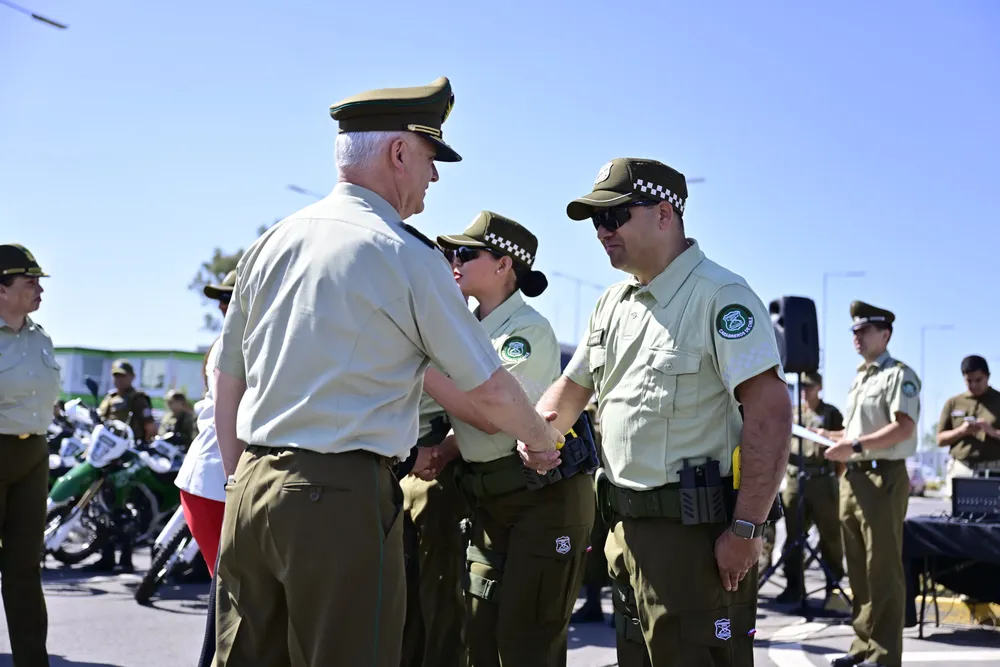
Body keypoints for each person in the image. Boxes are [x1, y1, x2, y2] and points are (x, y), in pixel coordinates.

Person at [212, 77, 565, 667]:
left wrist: (236, 481)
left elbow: (225, 376)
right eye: (430, 158)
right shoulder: (405, 254)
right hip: (338, 498)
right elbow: (492, 389)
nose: (433, 177)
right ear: (398, 153)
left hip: (250, 488)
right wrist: (541, 439)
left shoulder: (272, 241)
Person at [521, 157, 792, 666]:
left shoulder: (720, 295)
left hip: (694, 540)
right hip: (625, 531)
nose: (601, 232)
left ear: (664, 214)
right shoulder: (612, 303)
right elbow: (571, 389)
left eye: (615, 217)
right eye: (596, 222)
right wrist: (534, 434)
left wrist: (747, 530)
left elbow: (771, 413)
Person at [427, 211, 595, 666]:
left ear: (505, 264)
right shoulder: (467, 328)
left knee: (526, 644)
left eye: (465, 252)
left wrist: (417, 365)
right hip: (491, 500)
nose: (453, 261)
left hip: (542, 503)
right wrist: (445, 449)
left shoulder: (526, 330)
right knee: (482, 638)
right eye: (451, 253)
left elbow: (492, 416)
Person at [821, 301, 919, 667]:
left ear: (885, 334)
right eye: (854, 332)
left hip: (883, 477)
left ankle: (885, 654)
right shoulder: (860, 377)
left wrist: (855, 445)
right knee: (858, 569)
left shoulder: (898, 375)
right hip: (855, 477)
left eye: (863, 331)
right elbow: (857, 432)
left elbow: (904, 427)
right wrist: (830, 435)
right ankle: (862, 645)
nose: (856, 337)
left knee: (883, 569)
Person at [0, 243, 60, 667]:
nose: (39, 289)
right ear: (1, 289)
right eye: (29, 281)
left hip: (34, 454)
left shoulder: (41, 337)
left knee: (24, 569)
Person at [173, 269, 234, 667]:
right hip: (215, 481)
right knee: (230, 596)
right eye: (222, 300)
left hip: (213, 478)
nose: (224, 306)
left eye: (231, 297)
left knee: (229, 594)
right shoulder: (233, 343)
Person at [398, 359, 469, 667]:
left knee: (441, 594)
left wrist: (443, 452)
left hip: (434, 463)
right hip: (400, 464)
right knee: (404, 597)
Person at [776, 371, 845, 604]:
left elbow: (841, 448)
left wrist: (834, 478)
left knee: (830, 536)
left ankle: (833, 588)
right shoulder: (793, 413)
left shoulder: (830, 413)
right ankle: (794, 586)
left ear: (820, 387)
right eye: (803, 387)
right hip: (796, 478)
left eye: (810, 386)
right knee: (793, 535)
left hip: (822, 479)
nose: (806, 391)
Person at [90, 358, 156, 572]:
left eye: (123, 375)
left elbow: (150, 427)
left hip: (127, 459)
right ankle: (106, 556)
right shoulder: (109, 398)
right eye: (116, 375)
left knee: (125, 508)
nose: (119, 379)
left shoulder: (137, 399)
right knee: (103, 507)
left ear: (132, 377)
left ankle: (126, 558)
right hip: (106, 458)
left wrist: (143, 447)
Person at [570, 399, 612, 625]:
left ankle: (620, 608)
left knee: (616, 549)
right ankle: (593, 604)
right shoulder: (586, 404)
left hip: (613, 479)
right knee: (593, 549)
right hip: (594, 481)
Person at [936, 354, 1000, 495]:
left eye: (978, 380)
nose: (974, 385)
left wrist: (992, 432)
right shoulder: (953, 403)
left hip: (994, 470)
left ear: (988, 376)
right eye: (969, 381)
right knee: (957, 514)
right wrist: (961, 431)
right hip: (961, 469)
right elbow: (940, 439)